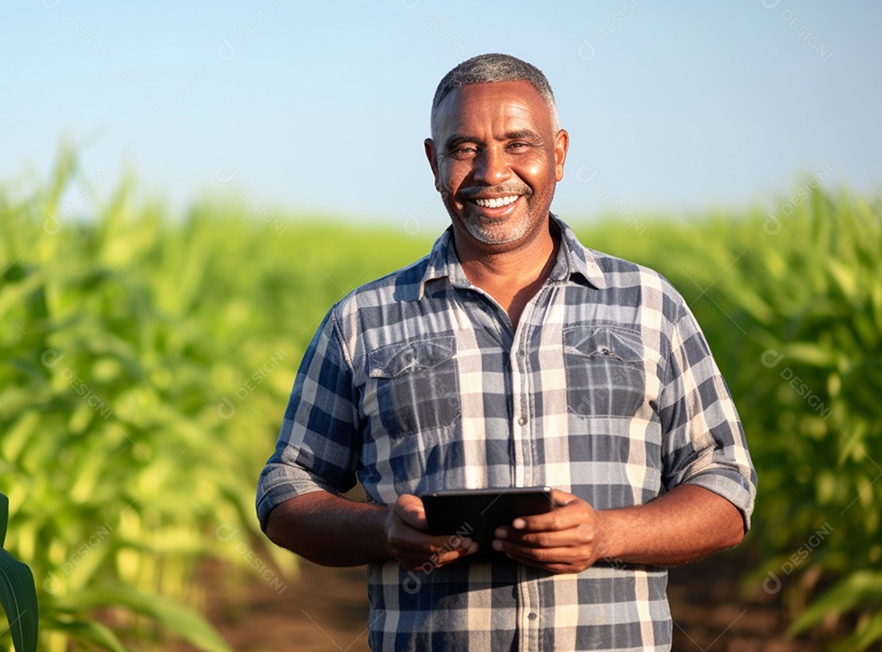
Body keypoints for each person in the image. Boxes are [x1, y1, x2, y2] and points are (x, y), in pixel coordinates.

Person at [256, 53, 756, 651]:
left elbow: (726, 486)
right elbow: (286, 490)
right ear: (434, 163)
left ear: (559, 154)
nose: (493, 172)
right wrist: (384, 528)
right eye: (465, 148)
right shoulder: (362, 320)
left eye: (519, 144)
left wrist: (605, 535)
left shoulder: (649, 304)